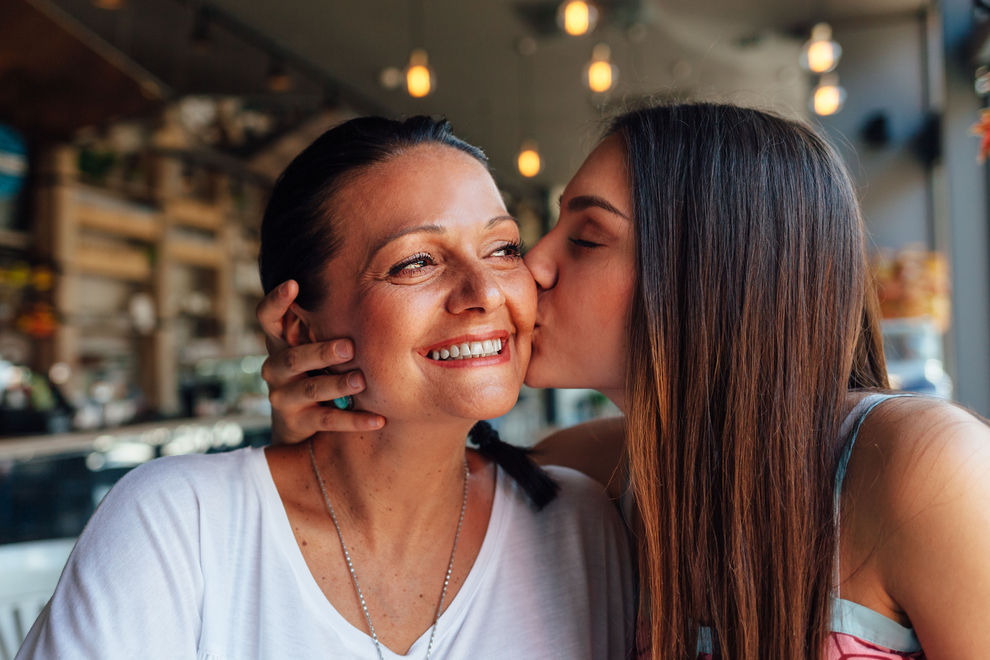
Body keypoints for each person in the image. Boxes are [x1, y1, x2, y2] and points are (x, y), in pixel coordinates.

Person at [257, 103, 990, 659]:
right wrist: (318, 428)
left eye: (585, 238)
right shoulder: (584, 475)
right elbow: (396, 500)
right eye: (531, 238)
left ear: (711, 274)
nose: (531, 268)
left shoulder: (923, 469)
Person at [17, 117, 634, 659]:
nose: (485, 292)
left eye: (502, 248)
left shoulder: (579, 525)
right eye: (416, 262)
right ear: (299, 326)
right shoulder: (182, 525)